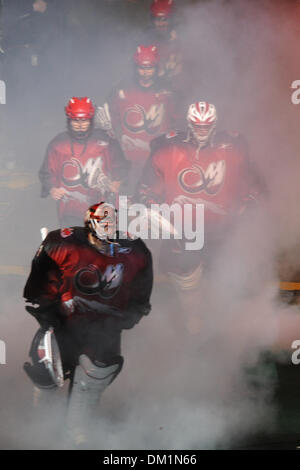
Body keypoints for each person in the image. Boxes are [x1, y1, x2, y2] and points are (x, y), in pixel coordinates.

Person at [23, 201, 153, 446]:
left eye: (111, 221)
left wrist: (134, 311)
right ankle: (39, 427)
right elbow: (41, 274)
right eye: (102, 221)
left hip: (104, 327)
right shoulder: (64, 243)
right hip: (63, 321)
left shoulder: (134, 250)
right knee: (46, 374)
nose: (107, 226)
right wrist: (44, 305)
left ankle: (76, 433)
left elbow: (142, 286)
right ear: (89, 223)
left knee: (93, 378)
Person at [137, 100, 262, 332]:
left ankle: (221, 321)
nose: (202, 131)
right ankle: (193, 320)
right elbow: (145, 188)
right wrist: (152, 206)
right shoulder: (167, 147)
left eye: (206, 126)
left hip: (222, 227)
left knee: (224, 275)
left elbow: (253, 182)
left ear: (214, 125)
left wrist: (248, 202)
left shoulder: (233, 146)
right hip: (183, 228)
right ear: (189, 124)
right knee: (185, 275)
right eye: (198, 126)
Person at [96, 45, 177, 195]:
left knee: (154, 203)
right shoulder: (121, 89)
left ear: (156, 68)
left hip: (156, 161)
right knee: (126, 203)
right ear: (135, 67)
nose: (145, 72)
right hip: (127, 160)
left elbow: (176, 123)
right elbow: (109, 122)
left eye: (150, 68)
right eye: (141, 68)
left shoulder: (168, 91)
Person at [39, 97, 129, 227]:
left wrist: (117, 182)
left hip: (101, 207)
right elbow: (47, 172)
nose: (80, 125)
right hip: (70, 209)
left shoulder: (106, 141)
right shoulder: (58, 144)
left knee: (102, 245)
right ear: (69, 120)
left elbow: (122, 166)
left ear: (91, 120)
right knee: (74, 245)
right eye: (76, 120)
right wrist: (52, 188)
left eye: (84, 120)